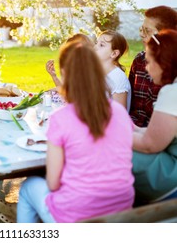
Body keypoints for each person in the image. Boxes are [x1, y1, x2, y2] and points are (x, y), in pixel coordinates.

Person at [13, 41, 134, 223]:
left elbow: (53, 184)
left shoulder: (61, 118)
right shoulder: (119, 112)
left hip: (77, 216)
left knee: (29, 186)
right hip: (121, 212)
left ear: (64, 74)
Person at [131, 29, 177, 205]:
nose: (146, 68)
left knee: (108, 148)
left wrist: (113, 132)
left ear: (164, 63)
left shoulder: (172, 92)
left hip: (171, 179)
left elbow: (150, 145)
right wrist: (132, 128)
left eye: (149, 62)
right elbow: (160, 133)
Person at [129, 6, 177, 127]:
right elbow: (131, 103)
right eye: (141, 29)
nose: (141, 34)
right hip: (134, 128)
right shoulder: (139, 60)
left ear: (165, 34)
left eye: (147, 31)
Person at [94, 30, 131, 110]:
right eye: (96, 43)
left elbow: (120, 115)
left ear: (114, 53)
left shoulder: (118, 78)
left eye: (101, 45)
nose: (95, 47)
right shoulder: (96, 73)